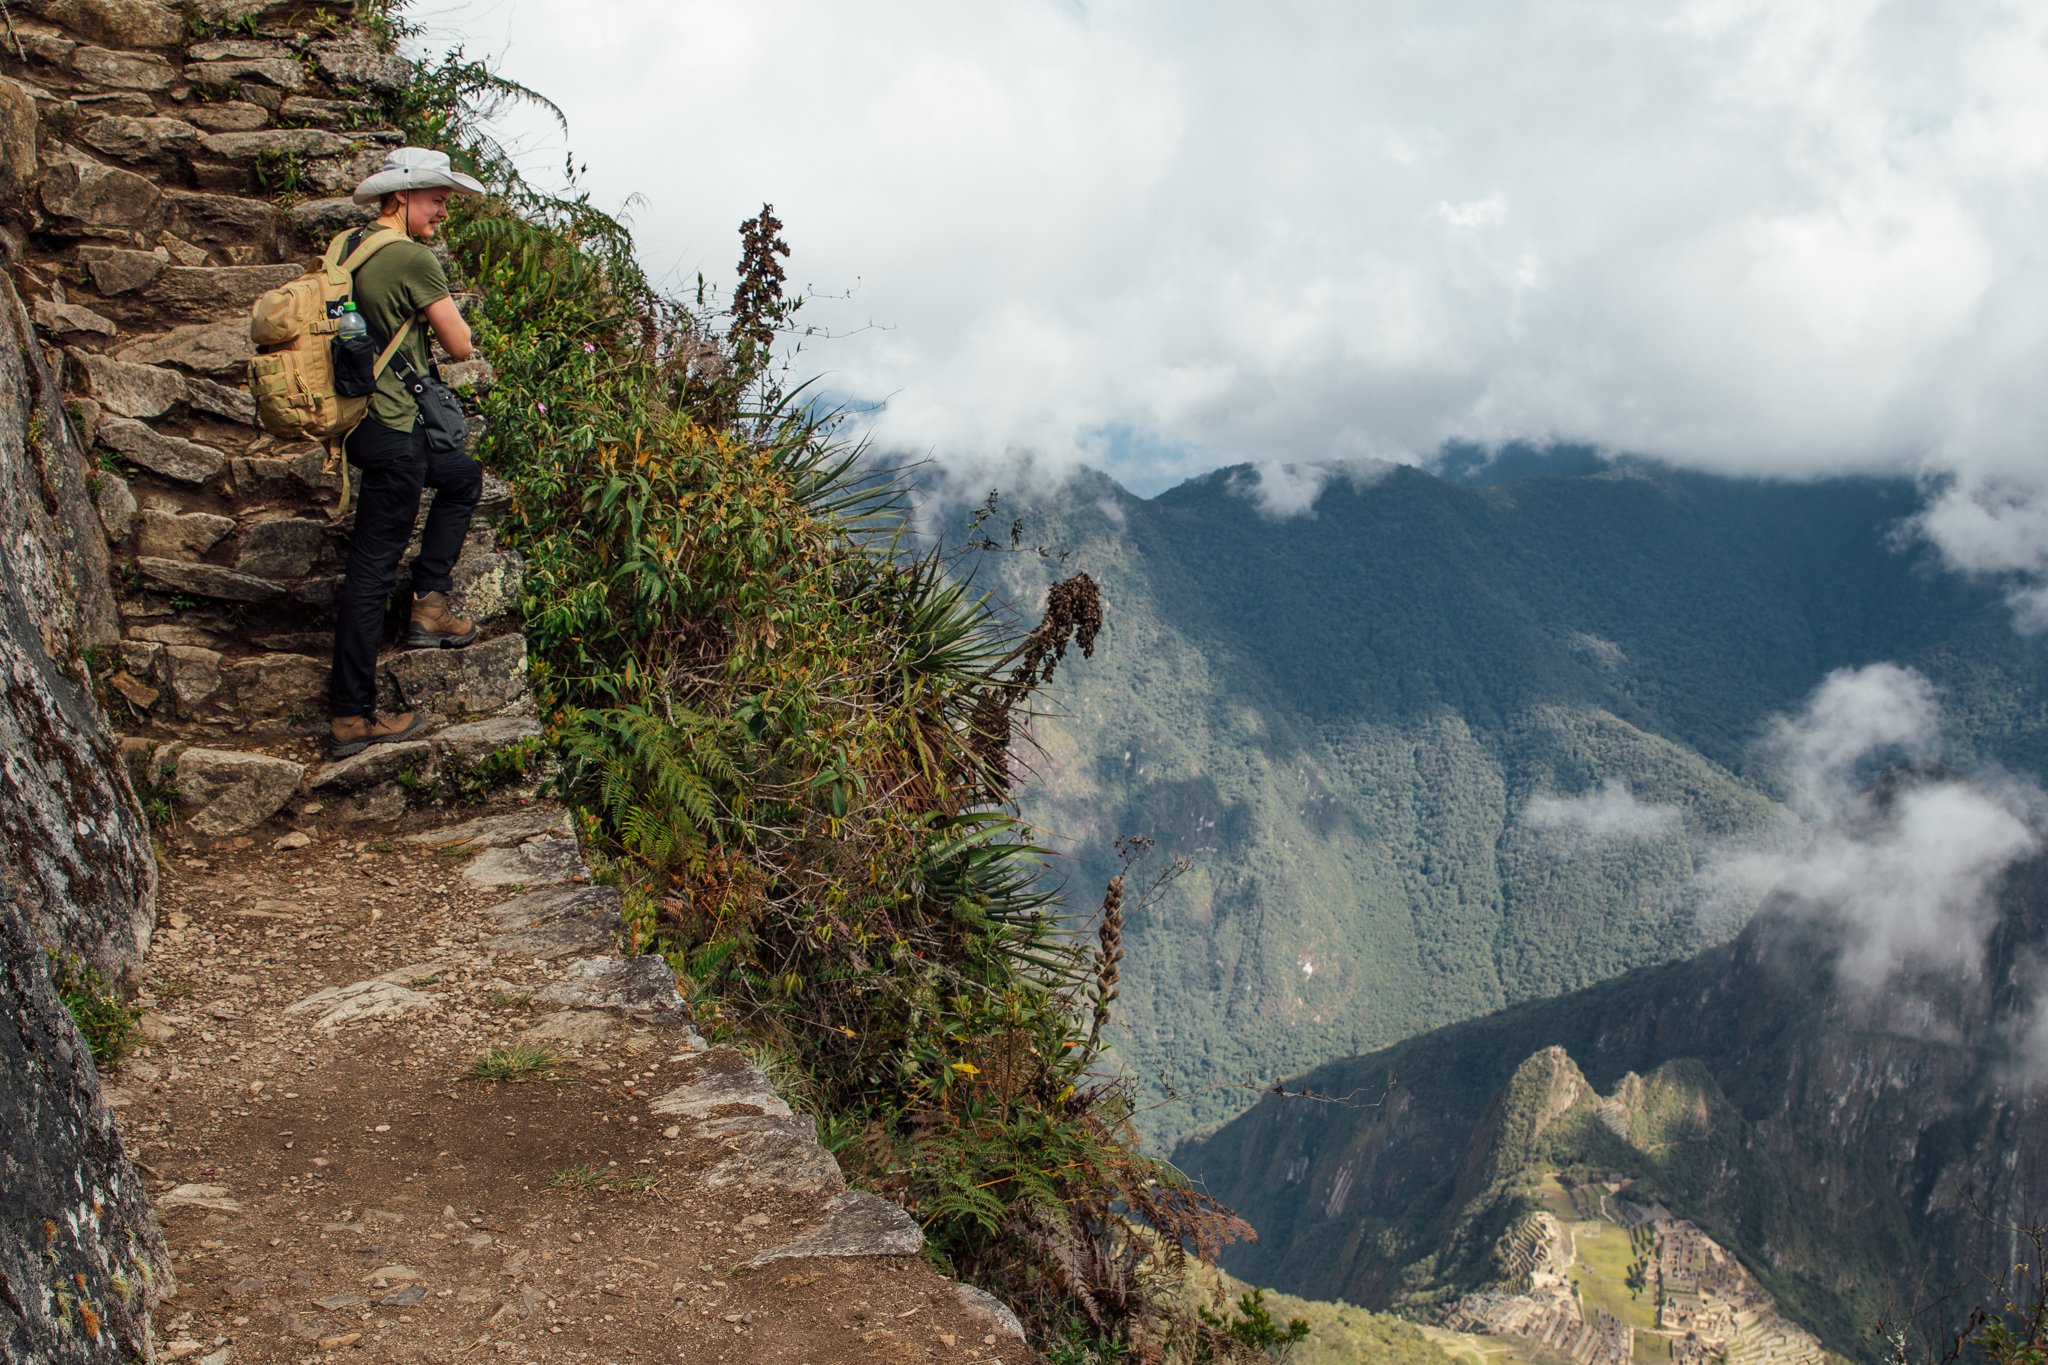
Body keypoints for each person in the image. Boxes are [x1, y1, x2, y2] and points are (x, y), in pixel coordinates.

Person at [328, 147, 487, 758]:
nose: (444, 209)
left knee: (461, 475)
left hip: (361, 416)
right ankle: (351, 715)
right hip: (395, 428)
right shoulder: (411, 258)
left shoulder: (348, 247)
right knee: (369, 574)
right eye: (435, 198)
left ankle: (429, 603)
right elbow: (459, 343)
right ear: (401, 197)